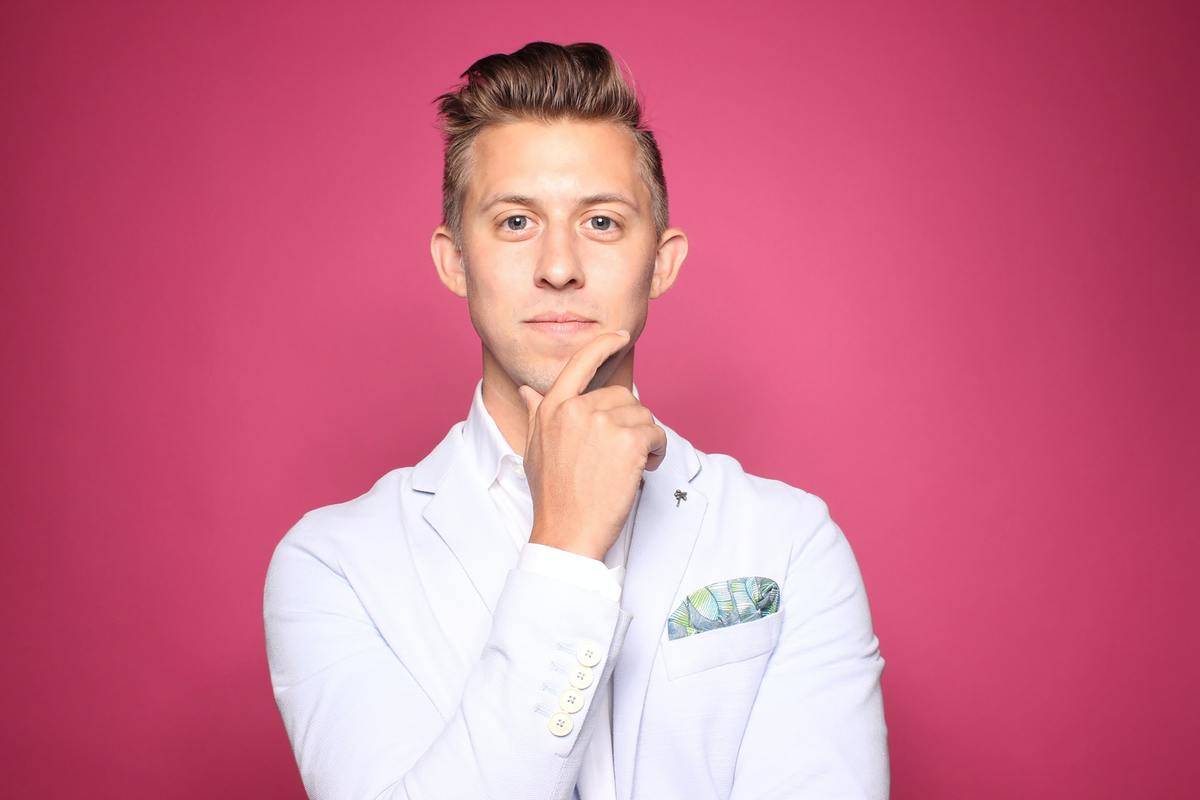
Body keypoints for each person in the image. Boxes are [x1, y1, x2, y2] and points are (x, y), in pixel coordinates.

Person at [263, 40, 889, 800]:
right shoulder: (334, 566)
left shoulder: (791, 543)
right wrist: (564, 548)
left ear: (661, 260)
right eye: (517, 220)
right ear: (454, 260)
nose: (559, 266)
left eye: (600, 221)